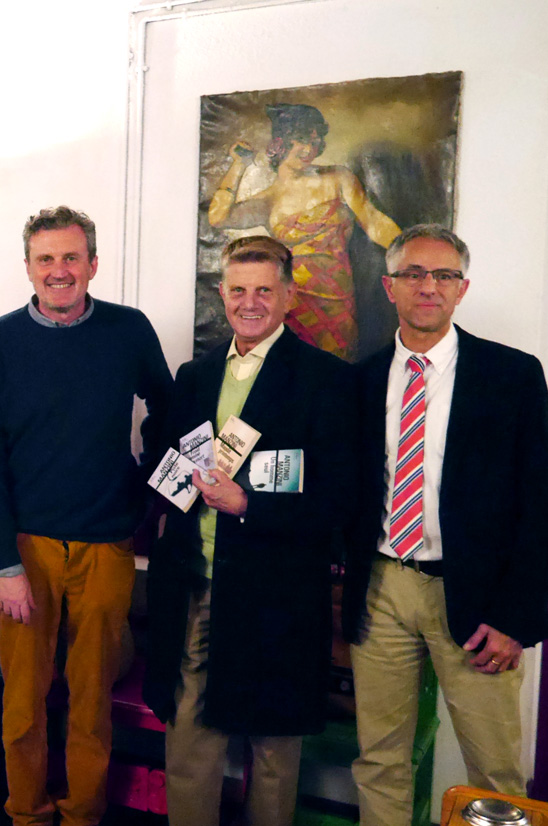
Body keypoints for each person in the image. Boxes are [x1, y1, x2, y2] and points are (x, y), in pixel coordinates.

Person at [0, 206, 172, 826]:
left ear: (93, 264)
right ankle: (27, 813)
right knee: (23, 701)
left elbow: (169, 411)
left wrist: (149, 489)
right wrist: (2, 563)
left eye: (71, 258)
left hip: (105, 544)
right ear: (28, 268)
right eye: (46, 259)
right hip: (24, 548)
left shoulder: (128, 330)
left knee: (92, 700)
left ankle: (83, 814)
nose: (59, 270)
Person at [142, 236, 356, 826]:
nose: (250, 302)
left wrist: (247, 505)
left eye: (264, 289)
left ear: (289, 296)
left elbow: (338, 498)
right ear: (222, 294)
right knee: (189, 736)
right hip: (198, 581)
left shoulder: (326, 380)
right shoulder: (195, 375)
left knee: (273, 748)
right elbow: (170, 467)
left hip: (278, 591)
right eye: (238, 290)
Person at [342, 224, 548, 826]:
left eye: (443, 275)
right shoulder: (361, 379)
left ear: (462, 288)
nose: (427, 286)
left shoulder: (512, 375)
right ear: (389, 287)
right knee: (379, 760)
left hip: (479, 600)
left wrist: (516, 618)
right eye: (413, 274)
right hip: (381, 588)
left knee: (495, 772)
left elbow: (539, 502)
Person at [209, 102, 401, 360]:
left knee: (336, 367)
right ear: (280, 142)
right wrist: (239, 165)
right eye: (301, 140)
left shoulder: (338, 178)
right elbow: (218, 217)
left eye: (315, 141)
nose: (309, 149)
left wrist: (411, 259)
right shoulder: (268, 199)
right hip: (293, 301)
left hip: (337, 298)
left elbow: (374, 222)